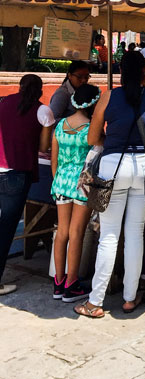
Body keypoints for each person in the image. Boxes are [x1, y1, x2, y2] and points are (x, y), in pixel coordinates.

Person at [74, 52, 145, 318]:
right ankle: (129, 297)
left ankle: (95, 301)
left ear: (120, 71)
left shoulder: (108, 97)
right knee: (135, 234)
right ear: (144, 71)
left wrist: (114, 142)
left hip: (112, 167)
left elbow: (93, 137)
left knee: (109, 236)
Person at [0, 75, 55, 296]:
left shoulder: (4, 102)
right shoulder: (43, 112)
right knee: (5, 229)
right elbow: (43, 146)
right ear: (40, 90)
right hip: (17, 173)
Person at [51, 84, 101, 303]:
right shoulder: (92, 128)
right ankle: (72, 283)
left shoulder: (61, 125)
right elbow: (101, 149)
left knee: (61, 233)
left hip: (61, 182)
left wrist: (57, 179)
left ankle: (58, 282)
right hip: (82, 185)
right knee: (77, 233)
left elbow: (55, 158)